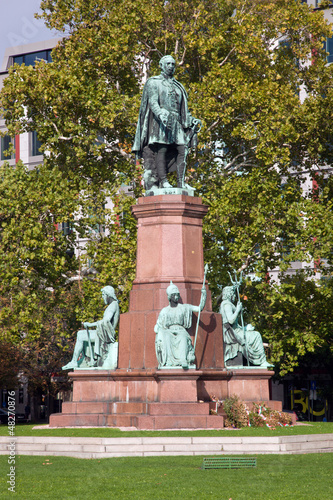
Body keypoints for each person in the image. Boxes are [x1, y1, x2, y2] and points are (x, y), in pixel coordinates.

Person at [132, 55, 201, 189]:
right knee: (161, 150)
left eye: (173, 64)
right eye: (168, 64)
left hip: (176, 122)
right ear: (161, 65)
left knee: (183, 149)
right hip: (161, 121)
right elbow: (152, 102)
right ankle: (163, 181)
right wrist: (160, 114)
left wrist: (191, 120)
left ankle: (181, 182)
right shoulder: (153, 82)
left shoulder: (178, 86)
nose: (170, 66)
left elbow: (183, 110)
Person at [62, 286, 119, 370]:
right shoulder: (113, 305)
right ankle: (84, 360)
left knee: (80, 334)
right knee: (82, 334)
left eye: (103, 295)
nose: (102, 297)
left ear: (108, 295)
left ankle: (74, 362)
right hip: (104, 332)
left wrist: (90, 324)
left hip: (105, 335)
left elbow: (106, 321)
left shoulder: (113, 305)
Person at [154, 281, 206, 369]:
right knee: (165, 336)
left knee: (182, 337)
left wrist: (204, 295)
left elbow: (199, 308)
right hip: (169, 331)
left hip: (180, 330)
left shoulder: (184, 307)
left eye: (177, 294)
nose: (176, 297)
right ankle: (168, 362)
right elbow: (159, 325)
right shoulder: (165, 311)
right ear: (169, 297)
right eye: (174, 295)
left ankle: (183, 360)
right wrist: (158, 332)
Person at [219, 286, 272, 368]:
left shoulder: (227, 304)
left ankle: (261, 361)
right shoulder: (227, 305)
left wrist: (245, 328)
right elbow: (230, 320)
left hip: (235, 331)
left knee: (253, 333)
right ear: (230, 294)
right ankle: (262, 361)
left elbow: (234, 324)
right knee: (256, 335)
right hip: (232, 334)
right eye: (233, 294)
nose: (234, 296)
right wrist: (237, 309)